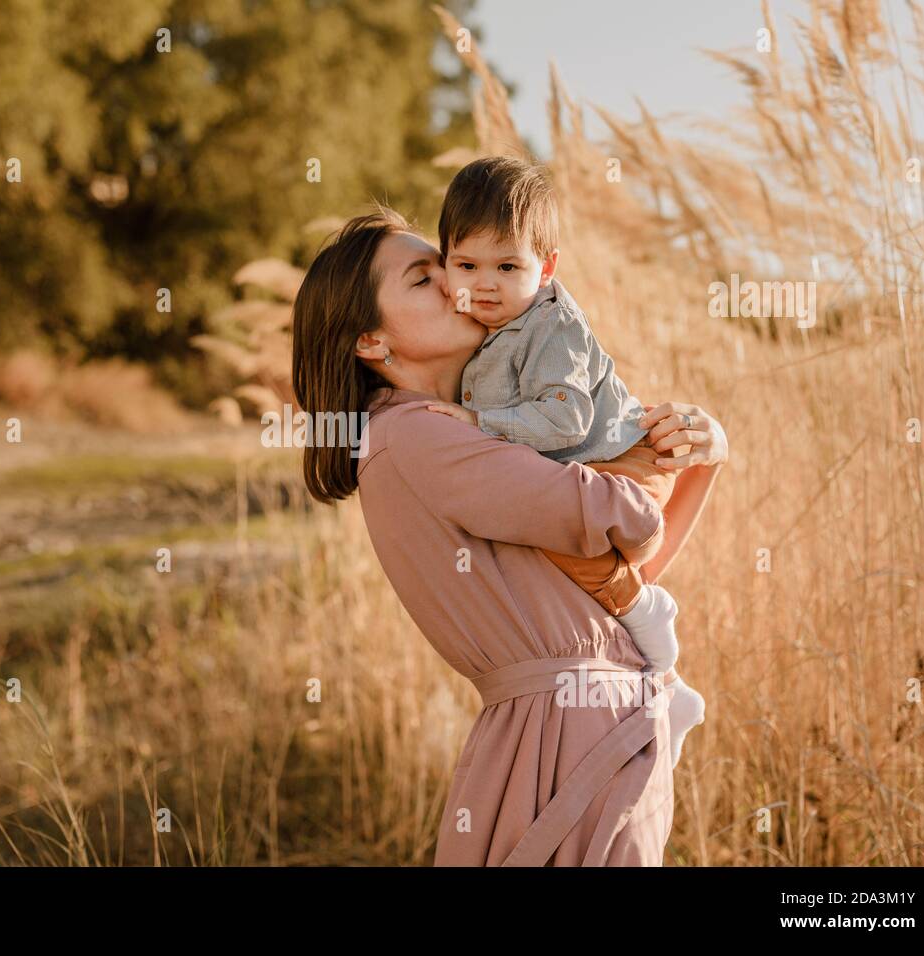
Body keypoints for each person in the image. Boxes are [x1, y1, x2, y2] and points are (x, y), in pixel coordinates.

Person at [291, 207, 728, 865]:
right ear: (371, 342)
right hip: (562, 736)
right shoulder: (413, 434)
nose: (456, 283)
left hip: (577, 725)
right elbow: (618, 516)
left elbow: (618, 575)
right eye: (422, 278)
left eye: (447, 265)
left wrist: (703, 456)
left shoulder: (463, 429)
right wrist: (660, 454)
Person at [423, 156, 704, 766]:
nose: (486, 284)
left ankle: (650, 620)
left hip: (627, 460)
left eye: (508, 267)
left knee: (558, 529)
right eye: (467, 265)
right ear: (445, 262)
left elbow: (565, 420)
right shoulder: (482, 319)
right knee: (540, 542)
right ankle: (667, 691)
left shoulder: (553, 329)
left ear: (545, 269)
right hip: (584, 464)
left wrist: (479, 423)